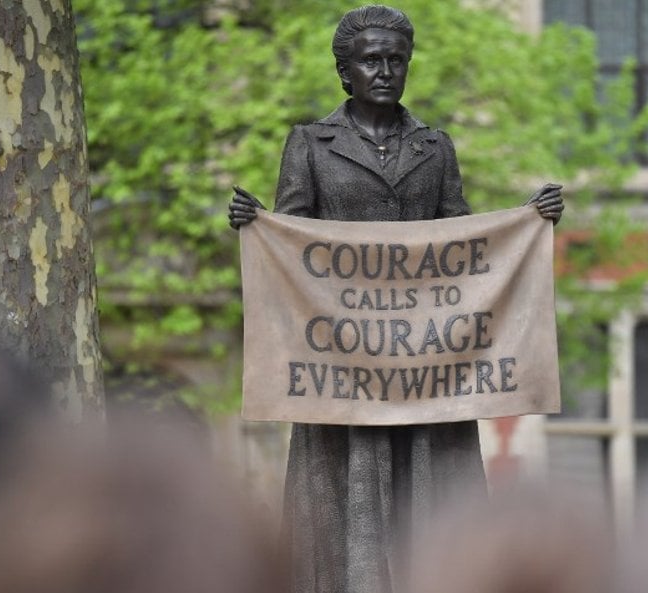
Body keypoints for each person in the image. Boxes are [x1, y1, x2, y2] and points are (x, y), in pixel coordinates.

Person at [229, 6, 563, 592]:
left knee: (429, 495)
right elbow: (291, 249)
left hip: (426, 375)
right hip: (343, 371)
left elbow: (465, 250)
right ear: (345, 71)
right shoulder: (309, 143)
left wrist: (527, 220)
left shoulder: (436, 147)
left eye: (395, 60)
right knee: (341, 499)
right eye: (370, 60)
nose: (384, 70)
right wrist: (257, 226)